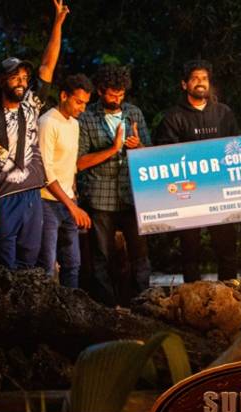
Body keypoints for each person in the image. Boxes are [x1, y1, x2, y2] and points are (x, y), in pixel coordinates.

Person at [0, 0, 69, 270]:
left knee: (29, 264)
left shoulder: (31, 106)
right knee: (4, 266)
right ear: (1, 81)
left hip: (32, 195)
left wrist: (57, 23)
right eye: (14, 77)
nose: (21, 82)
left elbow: (47, 66)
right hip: (3, 197)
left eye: (24, 77)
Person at [156, 60, 241, 283]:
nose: (200, 83)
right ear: (184, 84)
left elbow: (237, 147)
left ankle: (229, 293)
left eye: (204, 78)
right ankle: (192, 296)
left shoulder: (223, 113)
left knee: (227, 248)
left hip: (220, 192)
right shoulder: (173, 116)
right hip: (188, 194)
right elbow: (165, 154)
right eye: (195, 78)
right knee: (190, 251)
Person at [77, 64, 152, 305]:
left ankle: (143, 302)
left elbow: (150, 153)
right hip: (100, 197)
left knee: (140, 254)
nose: (117, 99)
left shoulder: (133, 113)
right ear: (100, 91)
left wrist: (138, 146)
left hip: (132, 195)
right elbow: (79, 161)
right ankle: (107, 307)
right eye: (112, 94)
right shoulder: (87, 117)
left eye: (121, 94)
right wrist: (113, 149)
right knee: (102, 256)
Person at [36, 74, 93, 288]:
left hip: (68, 200)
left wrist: (73, 198)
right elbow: (46, 172)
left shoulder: (74, 124)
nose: (82, 108)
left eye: (85, 103)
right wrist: (73, 207)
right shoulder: (47, 122)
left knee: (73, 263)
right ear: (63, 96)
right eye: (78, 102)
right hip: (47, 202)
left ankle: (71, 304)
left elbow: (69, 164)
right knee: (47, 265)